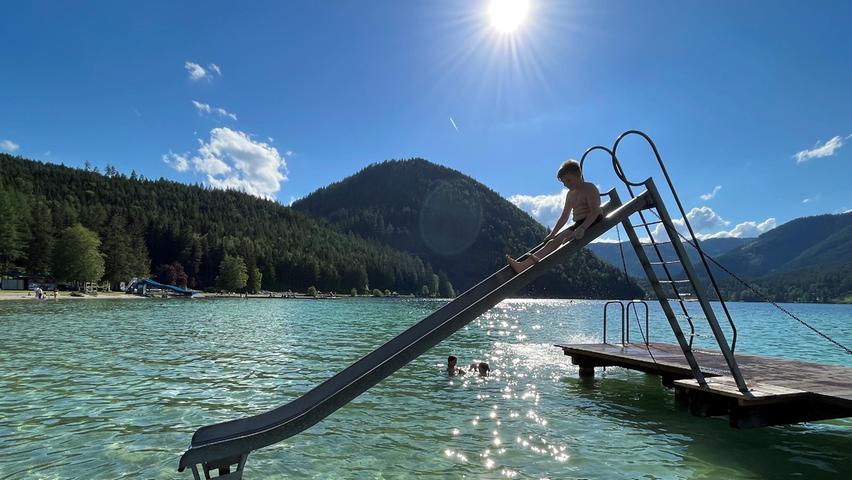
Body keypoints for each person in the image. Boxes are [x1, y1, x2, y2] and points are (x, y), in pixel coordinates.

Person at [507, 159, 602, 274]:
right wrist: (552, 234)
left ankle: (526, 264)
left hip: (593, 221)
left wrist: (583, 228)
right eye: (564, 183)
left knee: (565, 240)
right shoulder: (570, 194)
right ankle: (523, 266)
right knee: (552, 242)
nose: (567, 185)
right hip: (579, 224)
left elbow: (595, 211)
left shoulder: (589, 188)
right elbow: (564, 216)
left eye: (568, 180)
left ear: (578, 174)